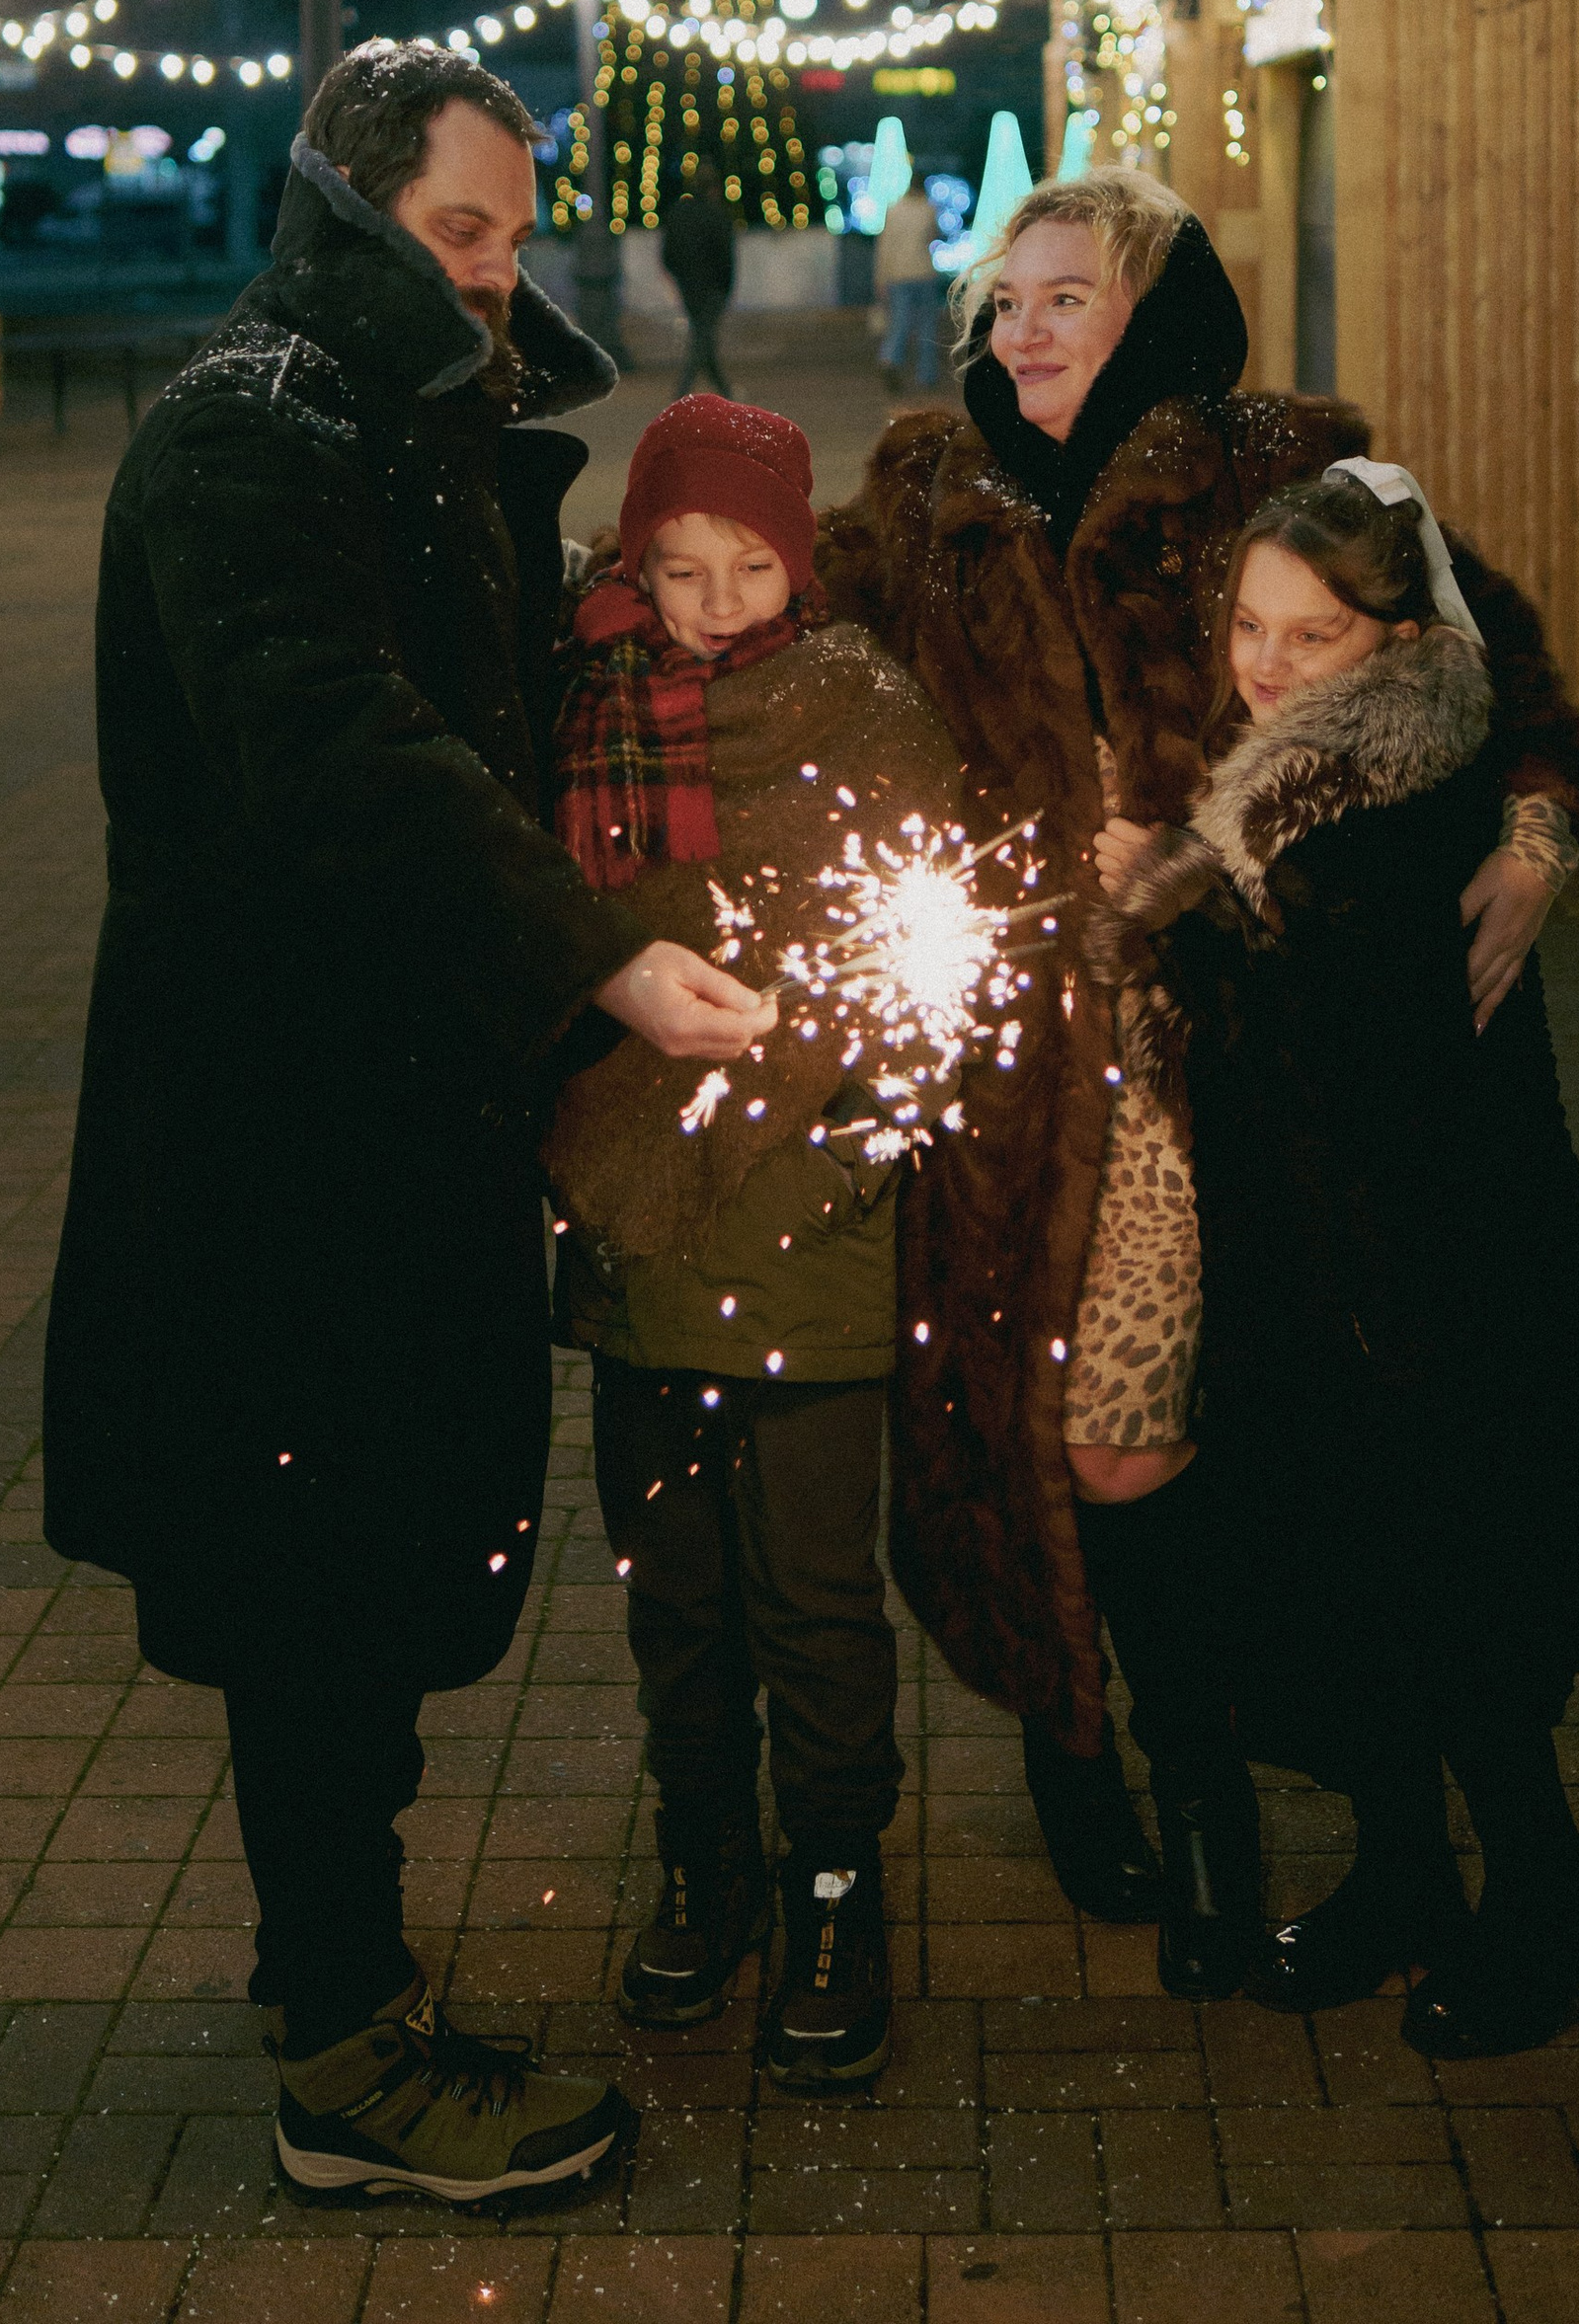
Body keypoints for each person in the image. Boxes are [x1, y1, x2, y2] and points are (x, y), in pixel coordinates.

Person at [40, 40, 773, 2208]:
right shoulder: (247, 433)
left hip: (380, 1110)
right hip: (276, 1130)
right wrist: (605, 959)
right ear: (350, 208)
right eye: (461, 234)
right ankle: (345, 2063)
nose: (492, 278)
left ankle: (337, 1989)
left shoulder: (394, 428)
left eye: (512, 240)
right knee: (311, 1579)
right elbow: (342, 749)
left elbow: (473, 712)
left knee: (355, 1570)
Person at [816, 169, 1579, 1961]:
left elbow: (1493, 659)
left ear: (1157, 307)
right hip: (1008, 1066)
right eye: (1004, 301)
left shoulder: (1273, 476)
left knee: (1195, 1430)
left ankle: (1220, 1773)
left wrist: (1543, 831)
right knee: (1028, 1432)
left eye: (1065, 297)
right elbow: (789, 668)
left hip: (1229, 1054)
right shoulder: (922, 507)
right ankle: (1089, 1759)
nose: (1020, 330)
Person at [1092, 467, 1579, 2054]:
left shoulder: (1393, 799)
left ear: (1401, 633)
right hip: (1341, 1279)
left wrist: (1161, 915)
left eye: (1316, 632)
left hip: (1434, 1291)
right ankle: (1410, 1874)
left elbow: (1352, 1044)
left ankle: (1552, 1896)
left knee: (1460, 1610)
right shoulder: (1294, 779)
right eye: (1250, 627)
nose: (1269, 662)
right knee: (1365, 1589)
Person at [546, 394, 965, 2086]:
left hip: (810, 1213)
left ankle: (837, 1884)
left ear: (795, 560)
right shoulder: (585, 708)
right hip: (634, 1217)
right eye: (674, 566)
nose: (710, 602)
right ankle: (706, 1862)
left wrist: (842, 1126)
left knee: (809, 1587)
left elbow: (940, 947)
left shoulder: (863, 701)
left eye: (743, 566)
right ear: (632, 559)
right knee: (677, 1591)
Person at [661, 160, 737, 397]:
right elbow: (726, 258)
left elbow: (667, 254)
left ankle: (725, 392)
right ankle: (682, 393)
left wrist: (681, 278)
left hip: (688, 286)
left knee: (703, 337)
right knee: (702, 340)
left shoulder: (678, 213)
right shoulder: (718, 215)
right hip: (713, 288)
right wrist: (725, 287)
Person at [873, 177, 944, 395]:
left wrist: (880, 278)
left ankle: (890, 359)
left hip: (897, 274)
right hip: (923, 272)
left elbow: (884, 246)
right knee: (927, 324)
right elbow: (934, 236)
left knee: (900, 321)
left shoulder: (893, 210)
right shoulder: (929, 209)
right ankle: (927, 373)